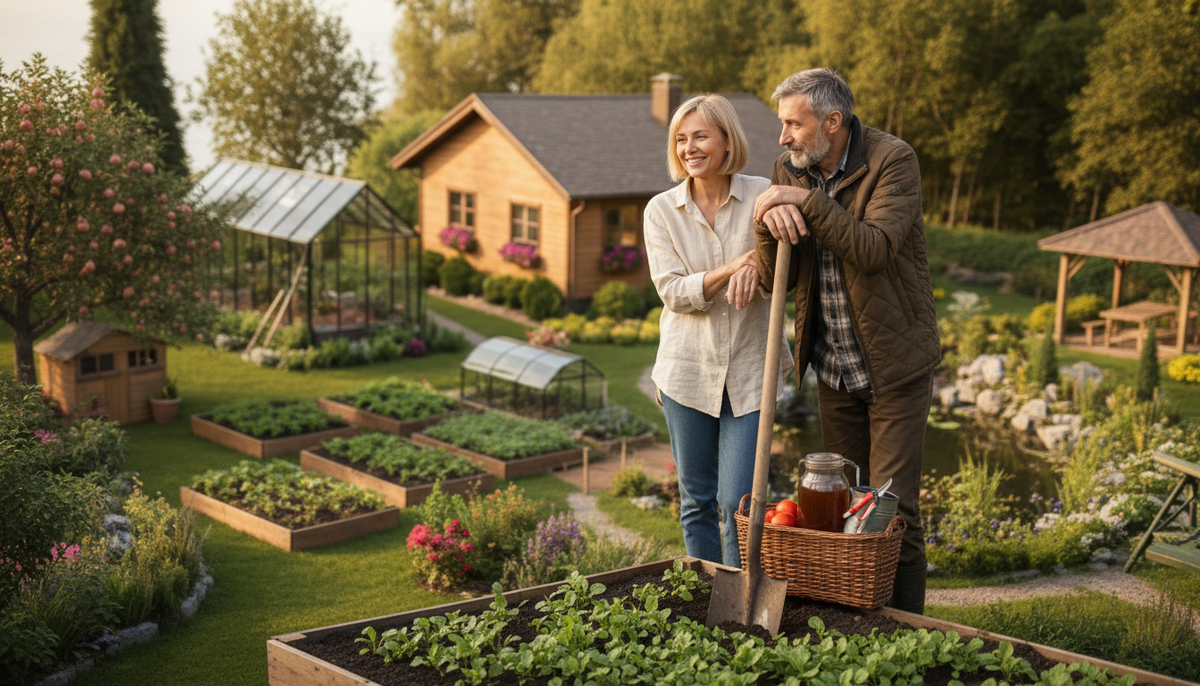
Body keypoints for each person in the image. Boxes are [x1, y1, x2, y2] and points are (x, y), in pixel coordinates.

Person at [752, 68, 940, 614]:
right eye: (783, 123)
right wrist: (765, 222)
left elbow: (874, 249)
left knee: (891, 508)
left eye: (794, 124)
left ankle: (906, 625)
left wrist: (804, 203)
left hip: (894, 365)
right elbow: (779, 278)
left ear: (832, 121)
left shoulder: (892, 160)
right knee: (838, 507)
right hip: (833, 367)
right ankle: (850, 621)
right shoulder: (791, 168)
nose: (783, 137)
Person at [644, 94, 792, 569]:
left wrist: (757, 264)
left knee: (737, 503)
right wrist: (734, 266)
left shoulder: (763, 195)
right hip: (687, 372)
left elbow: (787, 270)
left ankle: (737, 594)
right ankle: (704, 597)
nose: (689, 147)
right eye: (681, 139)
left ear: (727, 140)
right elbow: (673, 292)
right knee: (697, 500)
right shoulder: (661, 211)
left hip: (751, 371)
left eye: (701, 136)